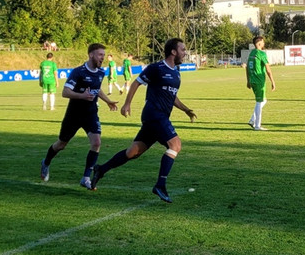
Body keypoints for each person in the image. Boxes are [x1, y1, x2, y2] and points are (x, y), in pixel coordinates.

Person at [91, 38, 197, 203]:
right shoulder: (156, 68)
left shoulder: (176, 72)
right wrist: (127, 103)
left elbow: (172, 96)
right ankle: (160, 185)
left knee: (133, 152)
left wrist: (186, 110)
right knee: (175, 145)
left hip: (159, 118)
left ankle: (101, 169)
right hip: (154, 115)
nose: (185, 53)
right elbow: (136, 83)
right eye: (182, 49)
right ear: (173, 52)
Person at [40, 43, 118, 188]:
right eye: (100, 55)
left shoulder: (101, 72)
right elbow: (65, 92)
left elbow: (97, 89)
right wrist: (82, 96)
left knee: (96, 143)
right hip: (74, 115)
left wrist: (108, 101)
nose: (103, 58)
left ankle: (86, 177)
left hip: (91, 114)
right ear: (91, 55)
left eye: (104, 55)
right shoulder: (78, 72)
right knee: (61, 144)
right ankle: (46, 162)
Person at [246, 35, 276, 130]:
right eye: (263, 42)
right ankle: (257, 125)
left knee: (263, 100)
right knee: (259, 102)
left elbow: (247, 67)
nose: (264, 43)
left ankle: (252, 120)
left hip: (252, 80)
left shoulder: (252, 53)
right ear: (259, 43)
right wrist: (273, 81)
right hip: (259, 81)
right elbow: (268, 69)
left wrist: (248, 81)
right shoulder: (261, 54)